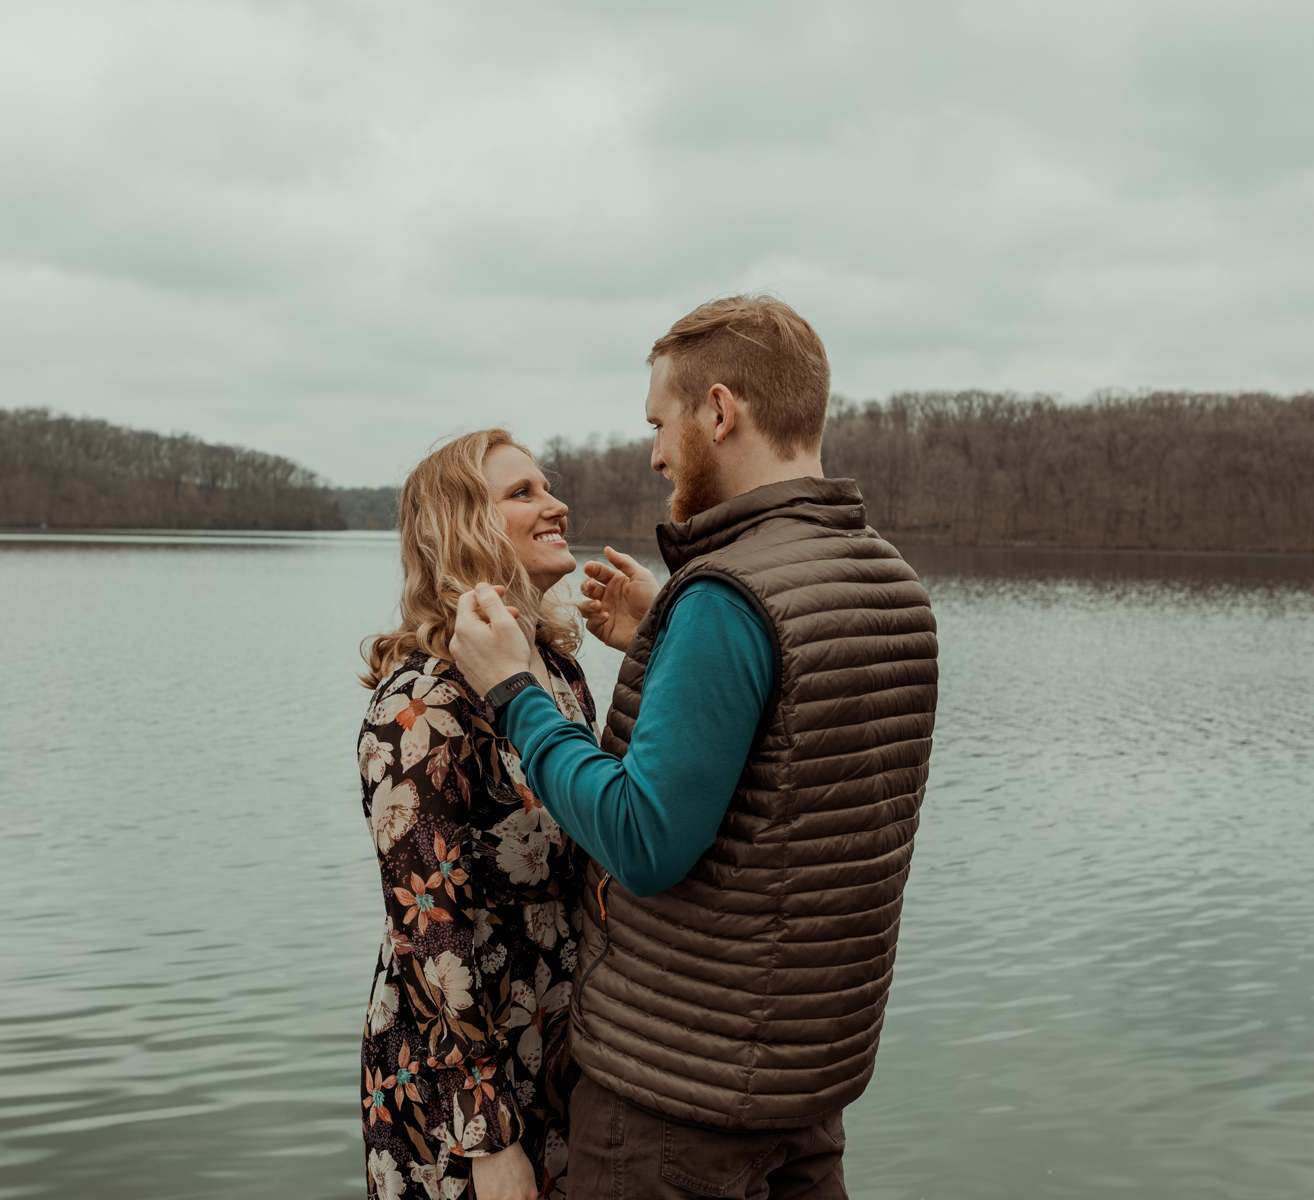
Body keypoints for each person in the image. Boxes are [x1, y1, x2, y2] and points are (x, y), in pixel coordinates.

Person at [449, 295, 940, 1199]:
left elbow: (645, 839)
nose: (655, 452)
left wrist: (515, 692)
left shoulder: (728, 595)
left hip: (674, 1107)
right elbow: (794, 781)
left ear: (719, 411)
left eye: (661, 423)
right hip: (806, 1092)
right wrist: (660, 645)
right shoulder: (890, 581)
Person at [357, 430, 596, 1200]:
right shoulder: (419, 708)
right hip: (461, 1078)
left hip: (561, 1049)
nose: (556, 504)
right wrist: (487, 1138)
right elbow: (429, 934)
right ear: (464, 526)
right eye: (522, 492)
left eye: (547, 486)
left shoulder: (558, 675)